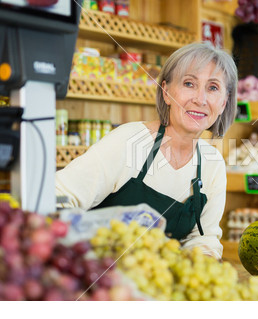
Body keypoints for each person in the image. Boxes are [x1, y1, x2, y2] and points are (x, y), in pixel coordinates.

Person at [56, 42, 238, 259]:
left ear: (224, 103)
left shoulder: (212, 164)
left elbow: (204, 237)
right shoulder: (129, 141)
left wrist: (200, 265)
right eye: (189, 83)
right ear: (166, 92)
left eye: (213, 88)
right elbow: (60, 195)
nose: (200, 99)